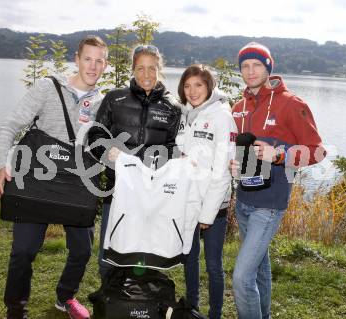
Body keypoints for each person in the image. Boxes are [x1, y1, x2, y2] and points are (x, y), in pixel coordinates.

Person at [0, 36, 108, 319]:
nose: (92, 66)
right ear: (77, 58)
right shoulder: (48, 87)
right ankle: (15, 308)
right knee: (23, 251)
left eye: (99, 60)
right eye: (87, 59)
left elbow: (106, 147)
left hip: (75, 185)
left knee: (82, 250)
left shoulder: (102, 104)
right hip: (37, 180)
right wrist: (1, 163)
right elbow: (11, 124)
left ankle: (65, 297)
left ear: (105, 65)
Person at [230, 42, 326, 319]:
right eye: (245, 66)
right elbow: (237, 149)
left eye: (256, 65)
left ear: (268, 67)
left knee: (241, 278)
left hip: (269, 205)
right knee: (259, 268)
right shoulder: (239, 107)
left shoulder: (291, 105)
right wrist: (233, 163)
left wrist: (280, 154)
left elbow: (317, 151)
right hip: (244, 200)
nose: (250, 72)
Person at [87, 44, 181, 280]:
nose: (146, 74)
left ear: (159, 69)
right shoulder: (114, 98)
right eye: (140, 68)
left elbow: (173, 147)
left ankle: (139, 302)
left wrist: (168, 163)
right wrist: (109, 151)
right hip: (117, 190)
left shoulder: (172, 107)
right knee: (110, 250)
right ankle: (109, 299)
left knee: (145, 253)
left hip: (152, 195)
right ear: (132, 69)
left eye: (152, 68)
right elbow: (96, 135)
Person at [176, 65, 237, 319]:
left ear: (209, 86)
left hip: (214, 206)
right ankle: (191, 308)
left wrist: (207, 214)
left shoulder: (222, 116)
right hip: (188, 199)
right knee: (188, 257)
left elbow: (223, 172)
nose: (192, 91)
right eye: (187, 86)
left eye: (198, 85)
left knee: (213, 265)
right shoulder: (185, 114)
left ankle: (215, 314)